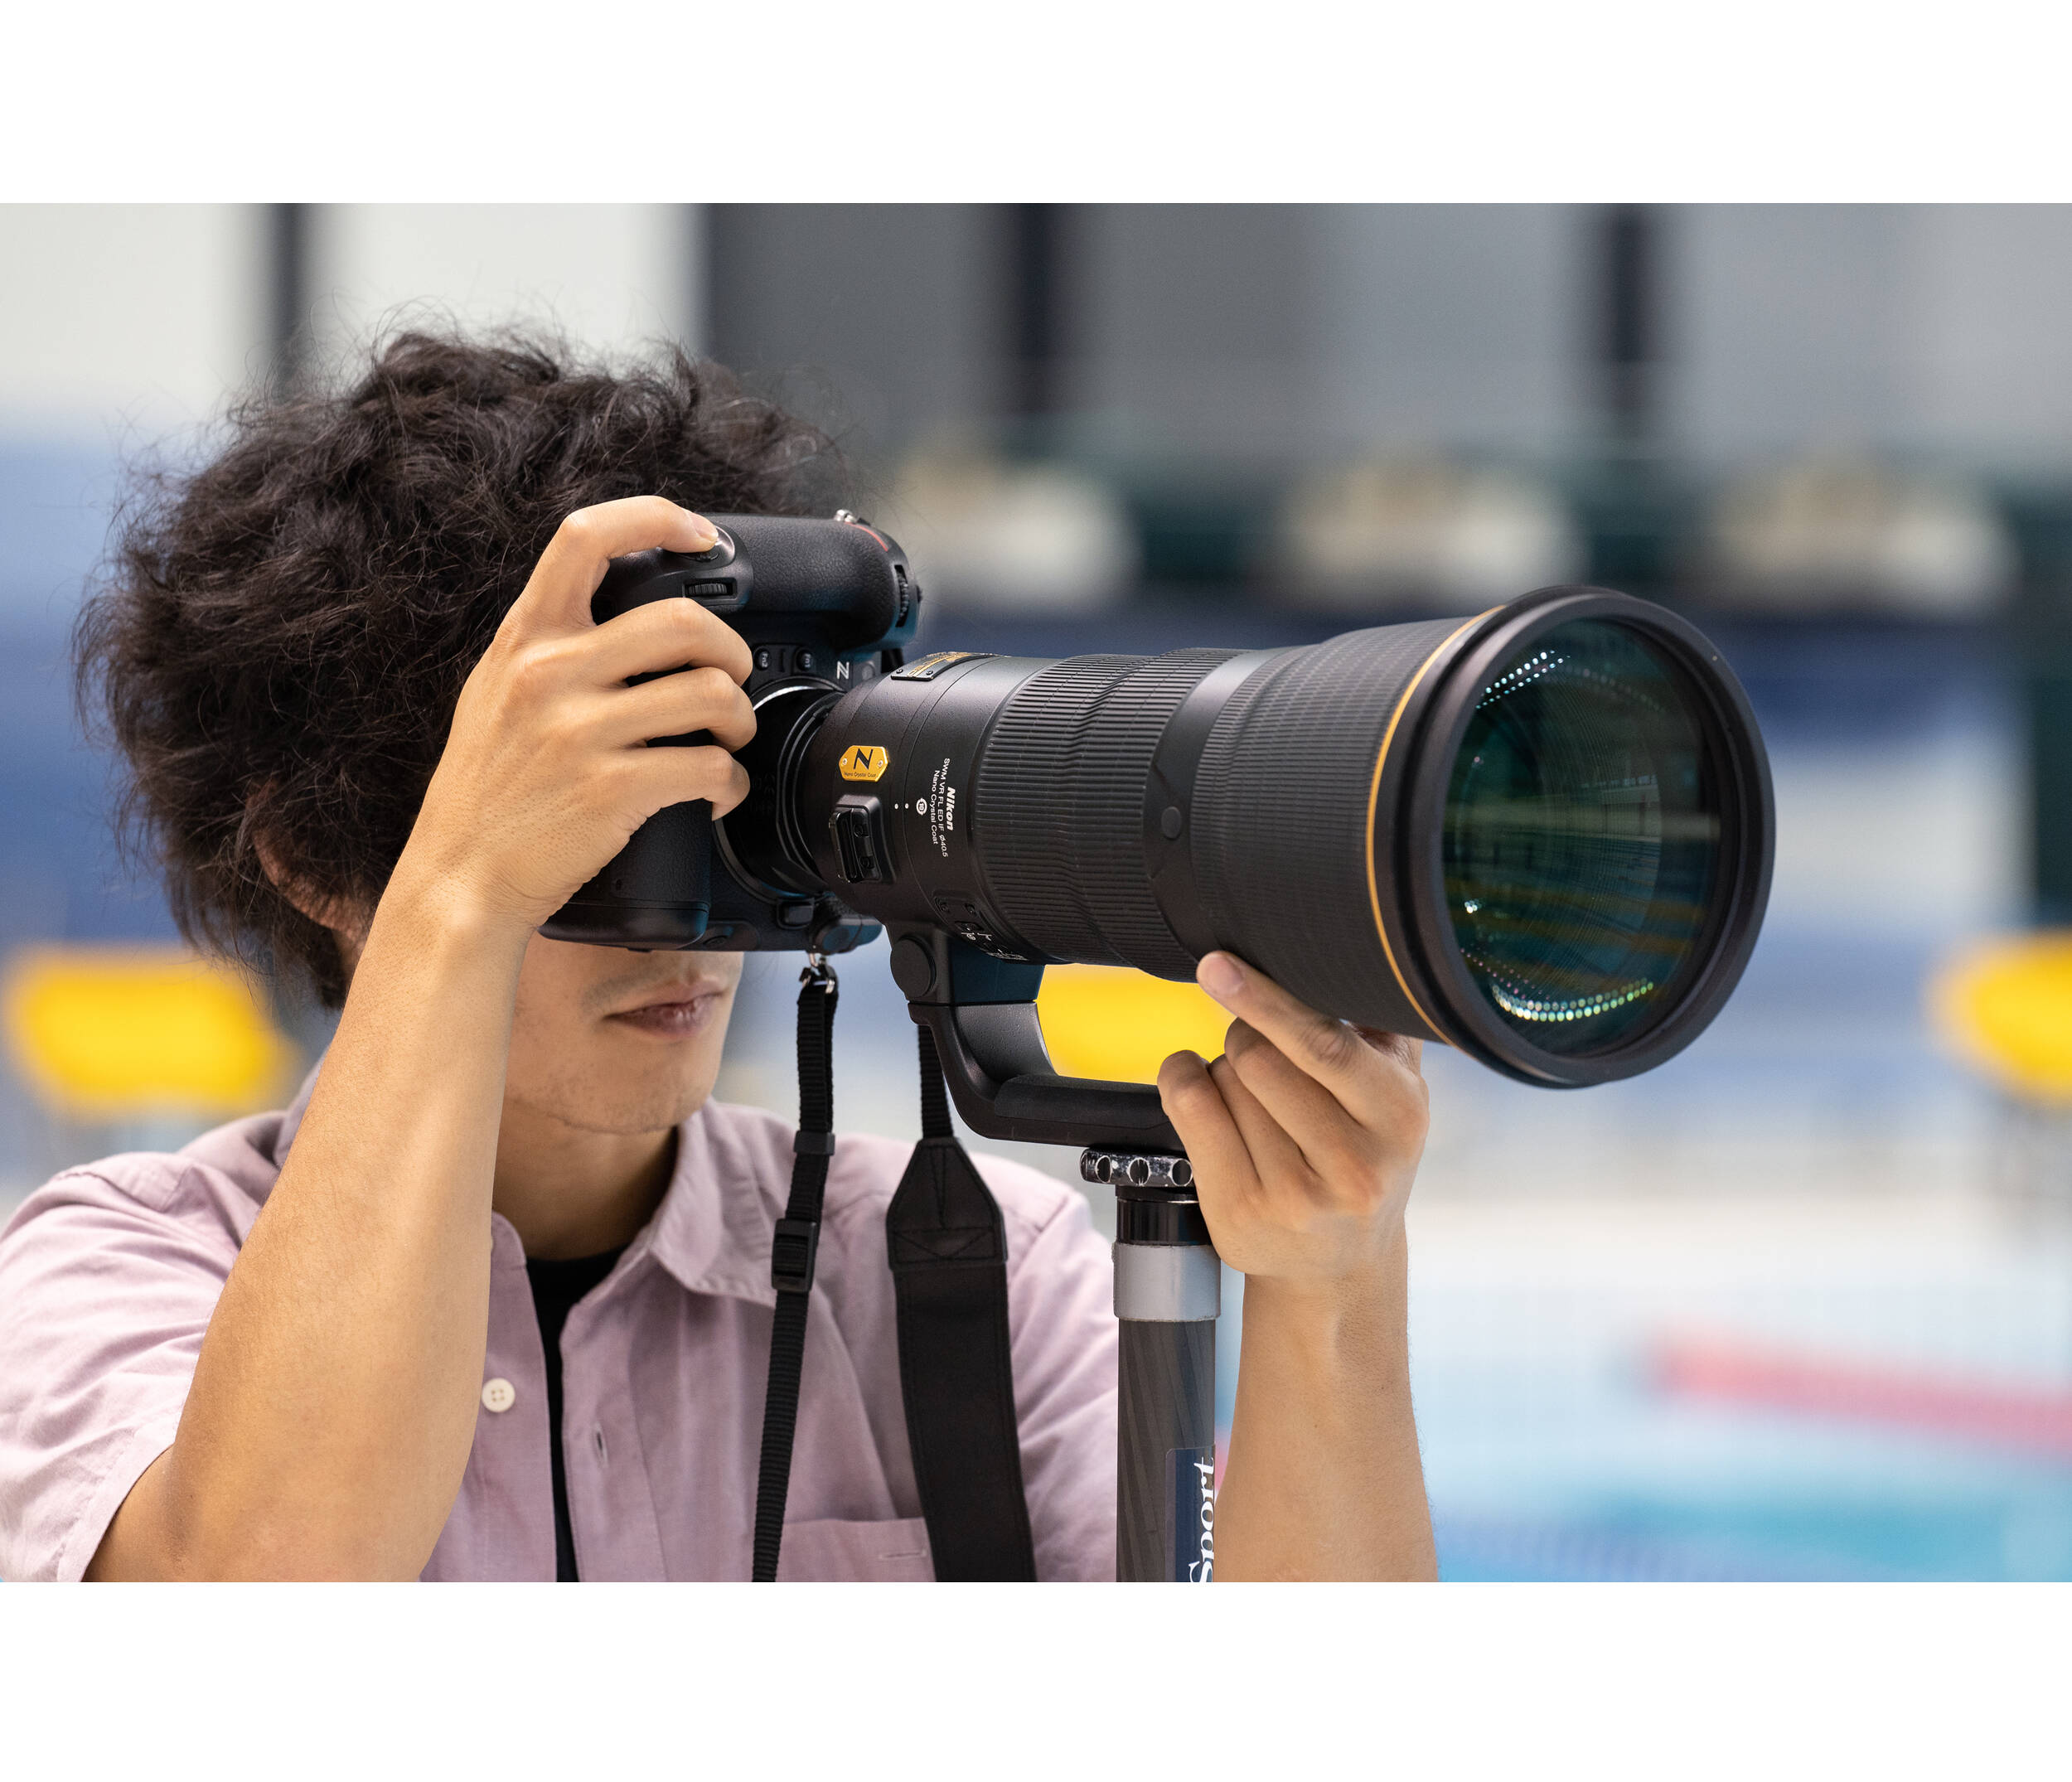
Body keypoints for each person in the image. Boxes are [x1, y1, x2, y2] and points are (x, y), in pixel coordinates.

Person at [0, 331, 1438, 1582]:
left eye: (717, 796)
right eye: (603, 826)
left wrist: (1334, 1285)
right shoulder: (121, 1267)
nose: (691, 923)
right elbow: (258, 1586)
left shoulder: (966, 1278)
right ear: (315, 860)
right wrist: (465, 894)